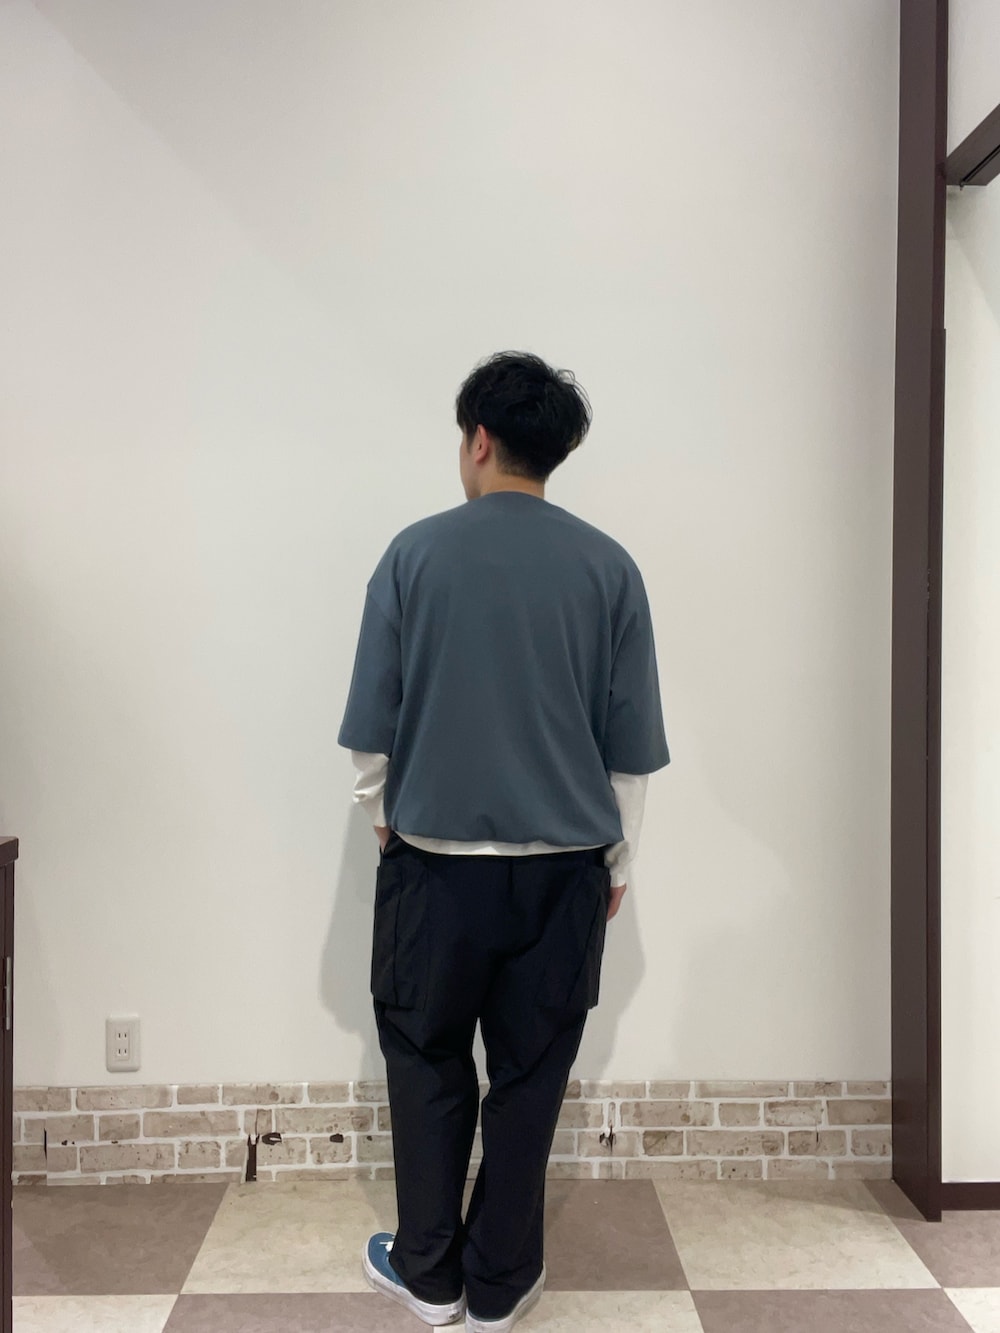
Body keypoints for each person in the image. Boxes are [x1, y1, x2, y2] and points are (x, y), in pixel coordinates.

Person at [337, 350, 670, 1331]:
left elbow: (370, 737)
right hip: (564, 874)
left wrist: (387, 822)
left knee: (425, 1059)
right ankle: (499, 1278)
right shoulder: (609, 568)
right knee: (531, 1075)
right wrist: (616, 863)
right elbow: (629, 755)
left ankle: (429, 1273)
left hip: (434, 870)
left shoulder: (413, 555)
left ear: (478, 440)